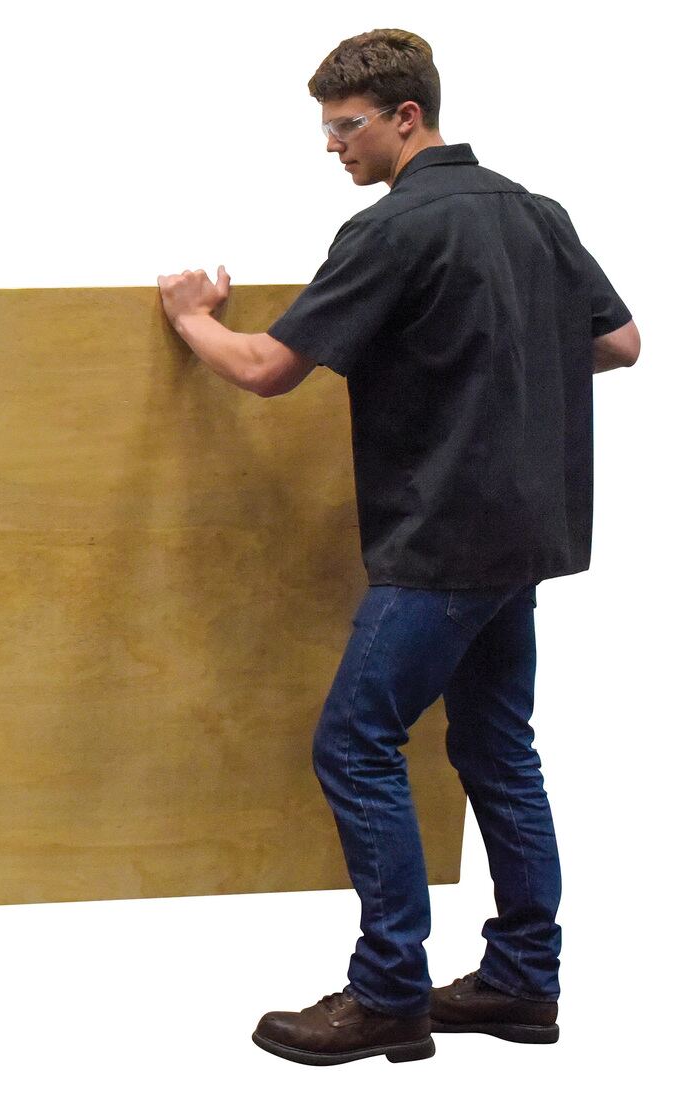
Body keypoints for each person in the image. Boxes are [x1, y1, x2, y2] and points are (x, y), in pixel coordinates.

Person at [157, 28, 640, 1067]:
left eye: (346, 127)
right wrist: (503, 364)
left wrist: (191, 318)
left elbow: (265, 367)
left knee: (353, 742)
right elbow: (616, 341)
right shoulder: (536, 212)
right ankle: (524, 980)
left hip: (442, 540)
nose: (333, 146)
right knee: (498, 750)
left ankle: (387, 993)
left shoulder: (392, 230)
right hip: (522, 537)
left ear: (405, 116)